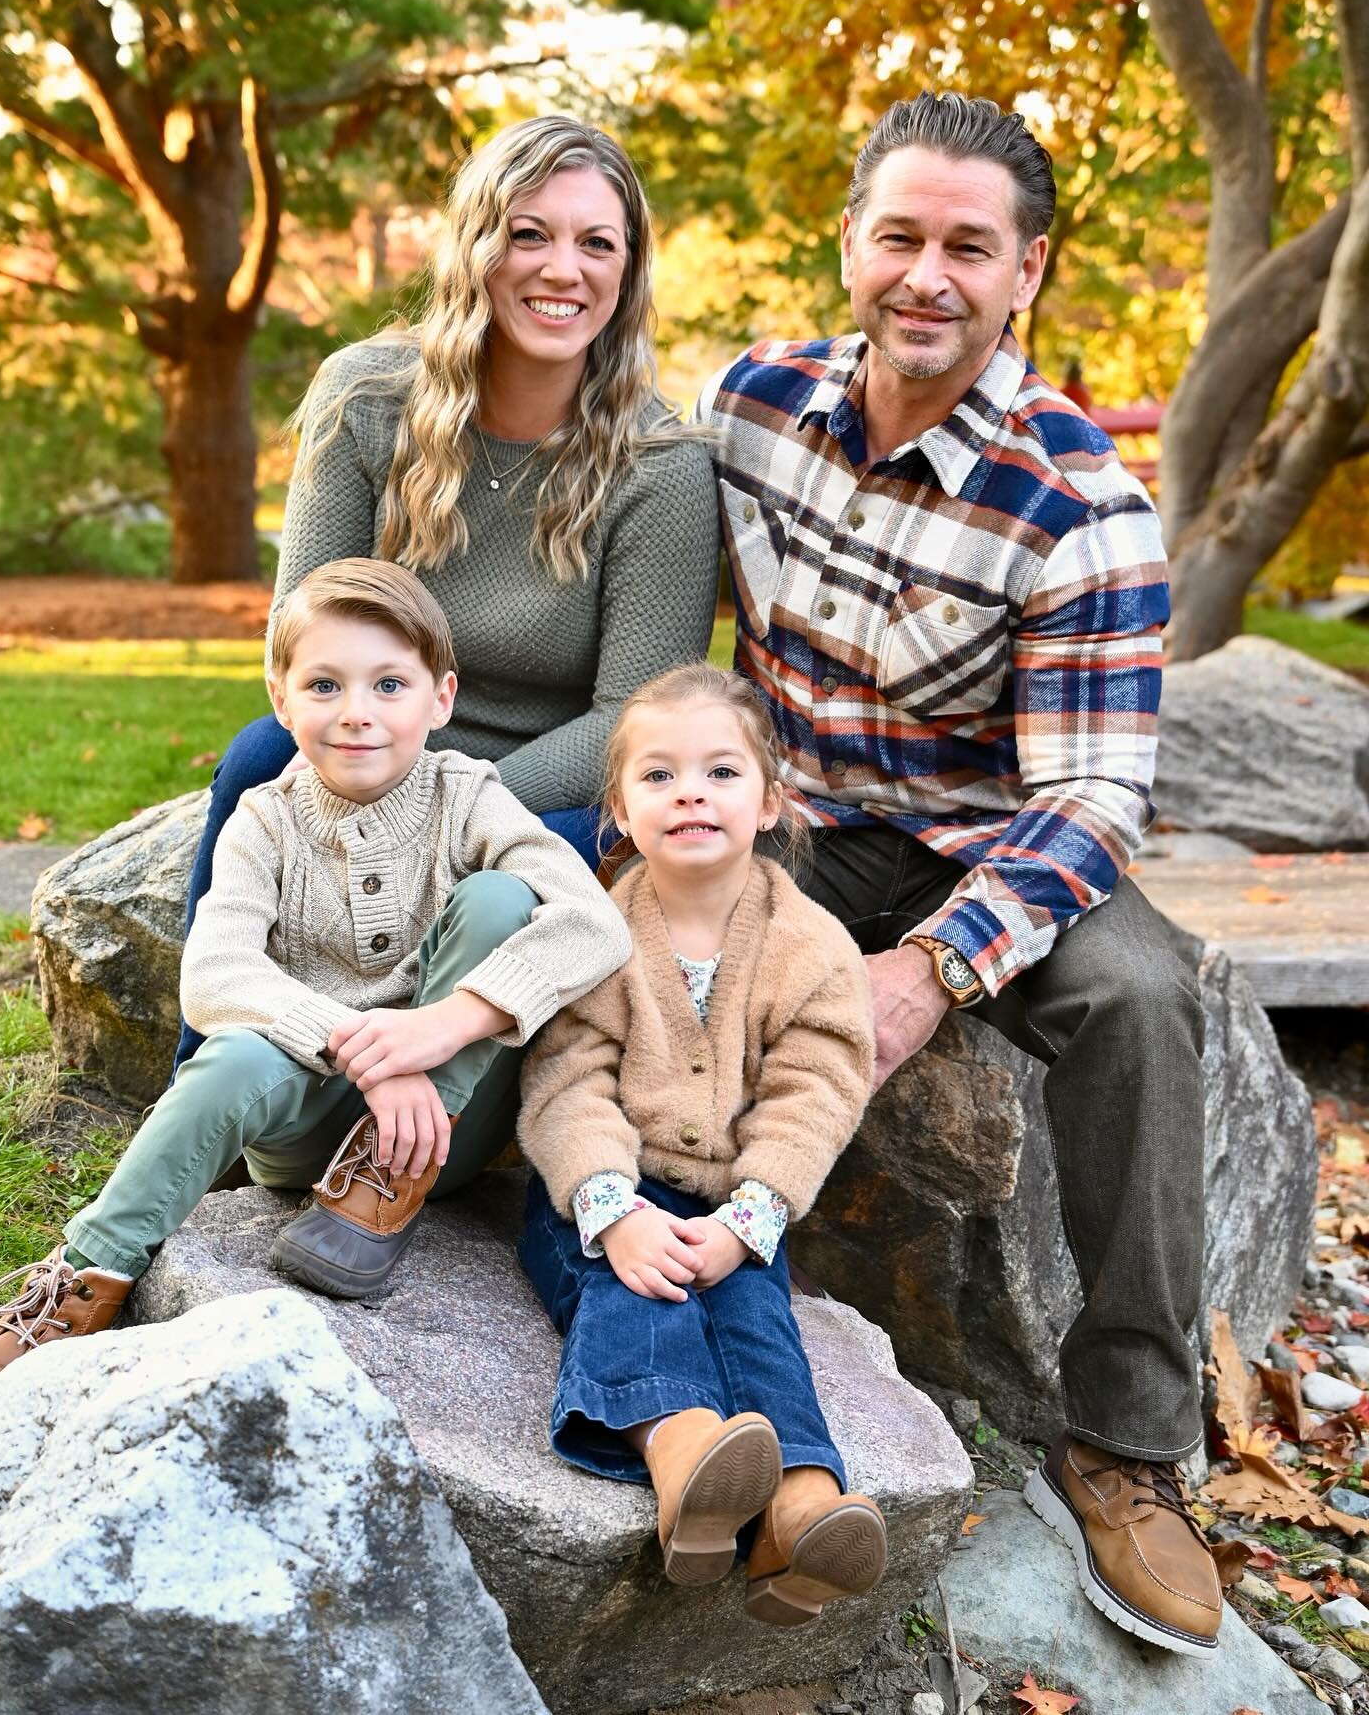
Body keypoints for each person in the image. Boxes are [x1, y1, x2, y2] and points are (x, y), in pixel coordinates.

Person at [695, 91, 1224, 1656]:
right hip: (796, 813)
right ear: (853, 242)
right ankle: (653, 1334)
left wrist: (927, 975)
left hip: (995, 834)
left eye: (969, 248)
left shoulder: (1084, 503)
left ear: (1028, 270)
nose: (929, 274)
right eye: (901, 235)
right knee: (625, 955)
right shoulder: (752, 405)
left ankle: (1127, 1441)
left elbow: (1092, 804)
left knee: (1142, 997)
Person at [0, 560, 630, 1431]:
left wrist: (442, 1028)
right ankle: (73, 1291)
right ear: (281, 694)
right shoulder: (266, 817)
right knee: (233, 1054)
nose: (358, 710)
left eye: (390, 683)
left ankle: (387, 1180)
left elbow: (597, 925)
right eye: (325, 684)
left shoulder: (469, 798)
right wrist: (371, 1051)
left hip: (450, 1131)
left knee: (501, 900)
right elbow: (215, 973)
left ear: (441, 697)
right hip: (303, 1130)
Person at [174, 114, 719, 1070]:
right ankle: (208, 1085)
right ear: (476, 246)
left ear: (628, 273)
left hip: (546, 787)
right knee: (260, 754)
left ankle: (404, 1128)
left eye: (598, 243)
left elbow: (634, 722)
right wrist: (382, 781)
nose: (564, 269)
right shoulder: (365, 400)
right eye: (530, 233)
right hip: (366, 741)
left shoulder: (659, 467)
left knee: (500, 895)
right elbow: (302, 642)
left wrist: (445, 807)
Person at [516, 664, 887, 1626]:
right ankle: (681, 1449)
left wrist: (750, 1216)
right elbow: (566, 1075)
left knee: (759, 1313)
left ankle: (799, 1505)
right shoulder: (595, 928)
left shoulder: (811, 946)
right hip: (603, 1190)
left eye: (721, 772)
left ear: (772, 801)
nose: (690, 792)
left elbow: (818, 1089)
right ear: (620, 809)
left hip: (735, 1199)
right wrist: (611, 1205)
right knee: (629, 1287)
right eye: (659, 775)